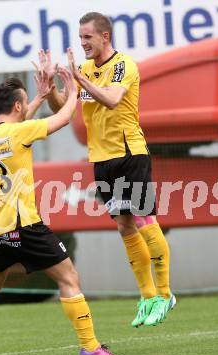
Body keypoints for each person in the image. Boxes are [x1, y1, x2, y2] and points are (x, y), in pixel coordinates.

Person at [0, 68, 120, 355]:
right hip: (25, 225)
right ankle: (90, 346)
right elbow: (61, 119)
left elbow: (20, 124)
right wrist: (73, 90)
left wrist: (38, 97)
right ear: (18, 107)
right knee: (69, 277)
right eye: (25, 104)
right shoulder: (20, 132)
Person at [39, 11, 176, 328]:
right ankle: (147, 296)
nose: (83, 42)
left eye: (87, 36)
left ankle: (165, 294)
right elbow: (66, 109)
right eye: (80, 36)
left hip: (130, 154)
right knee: (125, 226)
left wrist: (81, 80)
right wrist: (51, 92)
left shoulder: (123, 66)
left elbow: (113, 100)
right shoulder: (84, 69)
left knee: (144, 220)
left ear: (105, 37)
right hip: (101, 161)